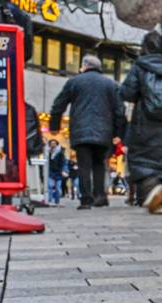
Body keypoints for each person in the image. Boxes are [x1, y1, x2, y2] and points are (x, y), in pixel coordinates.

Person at [49, 55, 125, 210]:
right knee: (99, 164)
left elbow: (59, 104)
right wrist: (119, 132)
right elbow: (119, 110)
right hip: (104, 132)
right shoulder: (111, 84)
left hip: (81, 131)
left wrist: (54, 125)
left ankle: (86, 199)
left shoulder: (74, 82)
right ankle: (100, 197)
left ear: (84, 66)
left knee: (84, 165)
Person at [121, 31, 162, 215]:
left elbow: (127, 93)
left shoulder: (140, 66)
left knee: (142, 160)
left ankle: (152, 191)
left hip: (144, 123)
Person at [46, 140, 67, 205]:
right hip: (50, 172)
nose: (53, 144)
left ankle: (57, 201)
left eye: (54, 143)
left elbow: (64, 162)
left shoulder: (60, 153)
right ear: (49, 145)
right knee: (50, 186)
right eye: (51, 143)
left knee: (58, 188)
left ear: (57, 144)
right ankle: (49, 200)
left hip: (58, 172)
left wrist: (64, 171)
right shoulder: (47, 152)